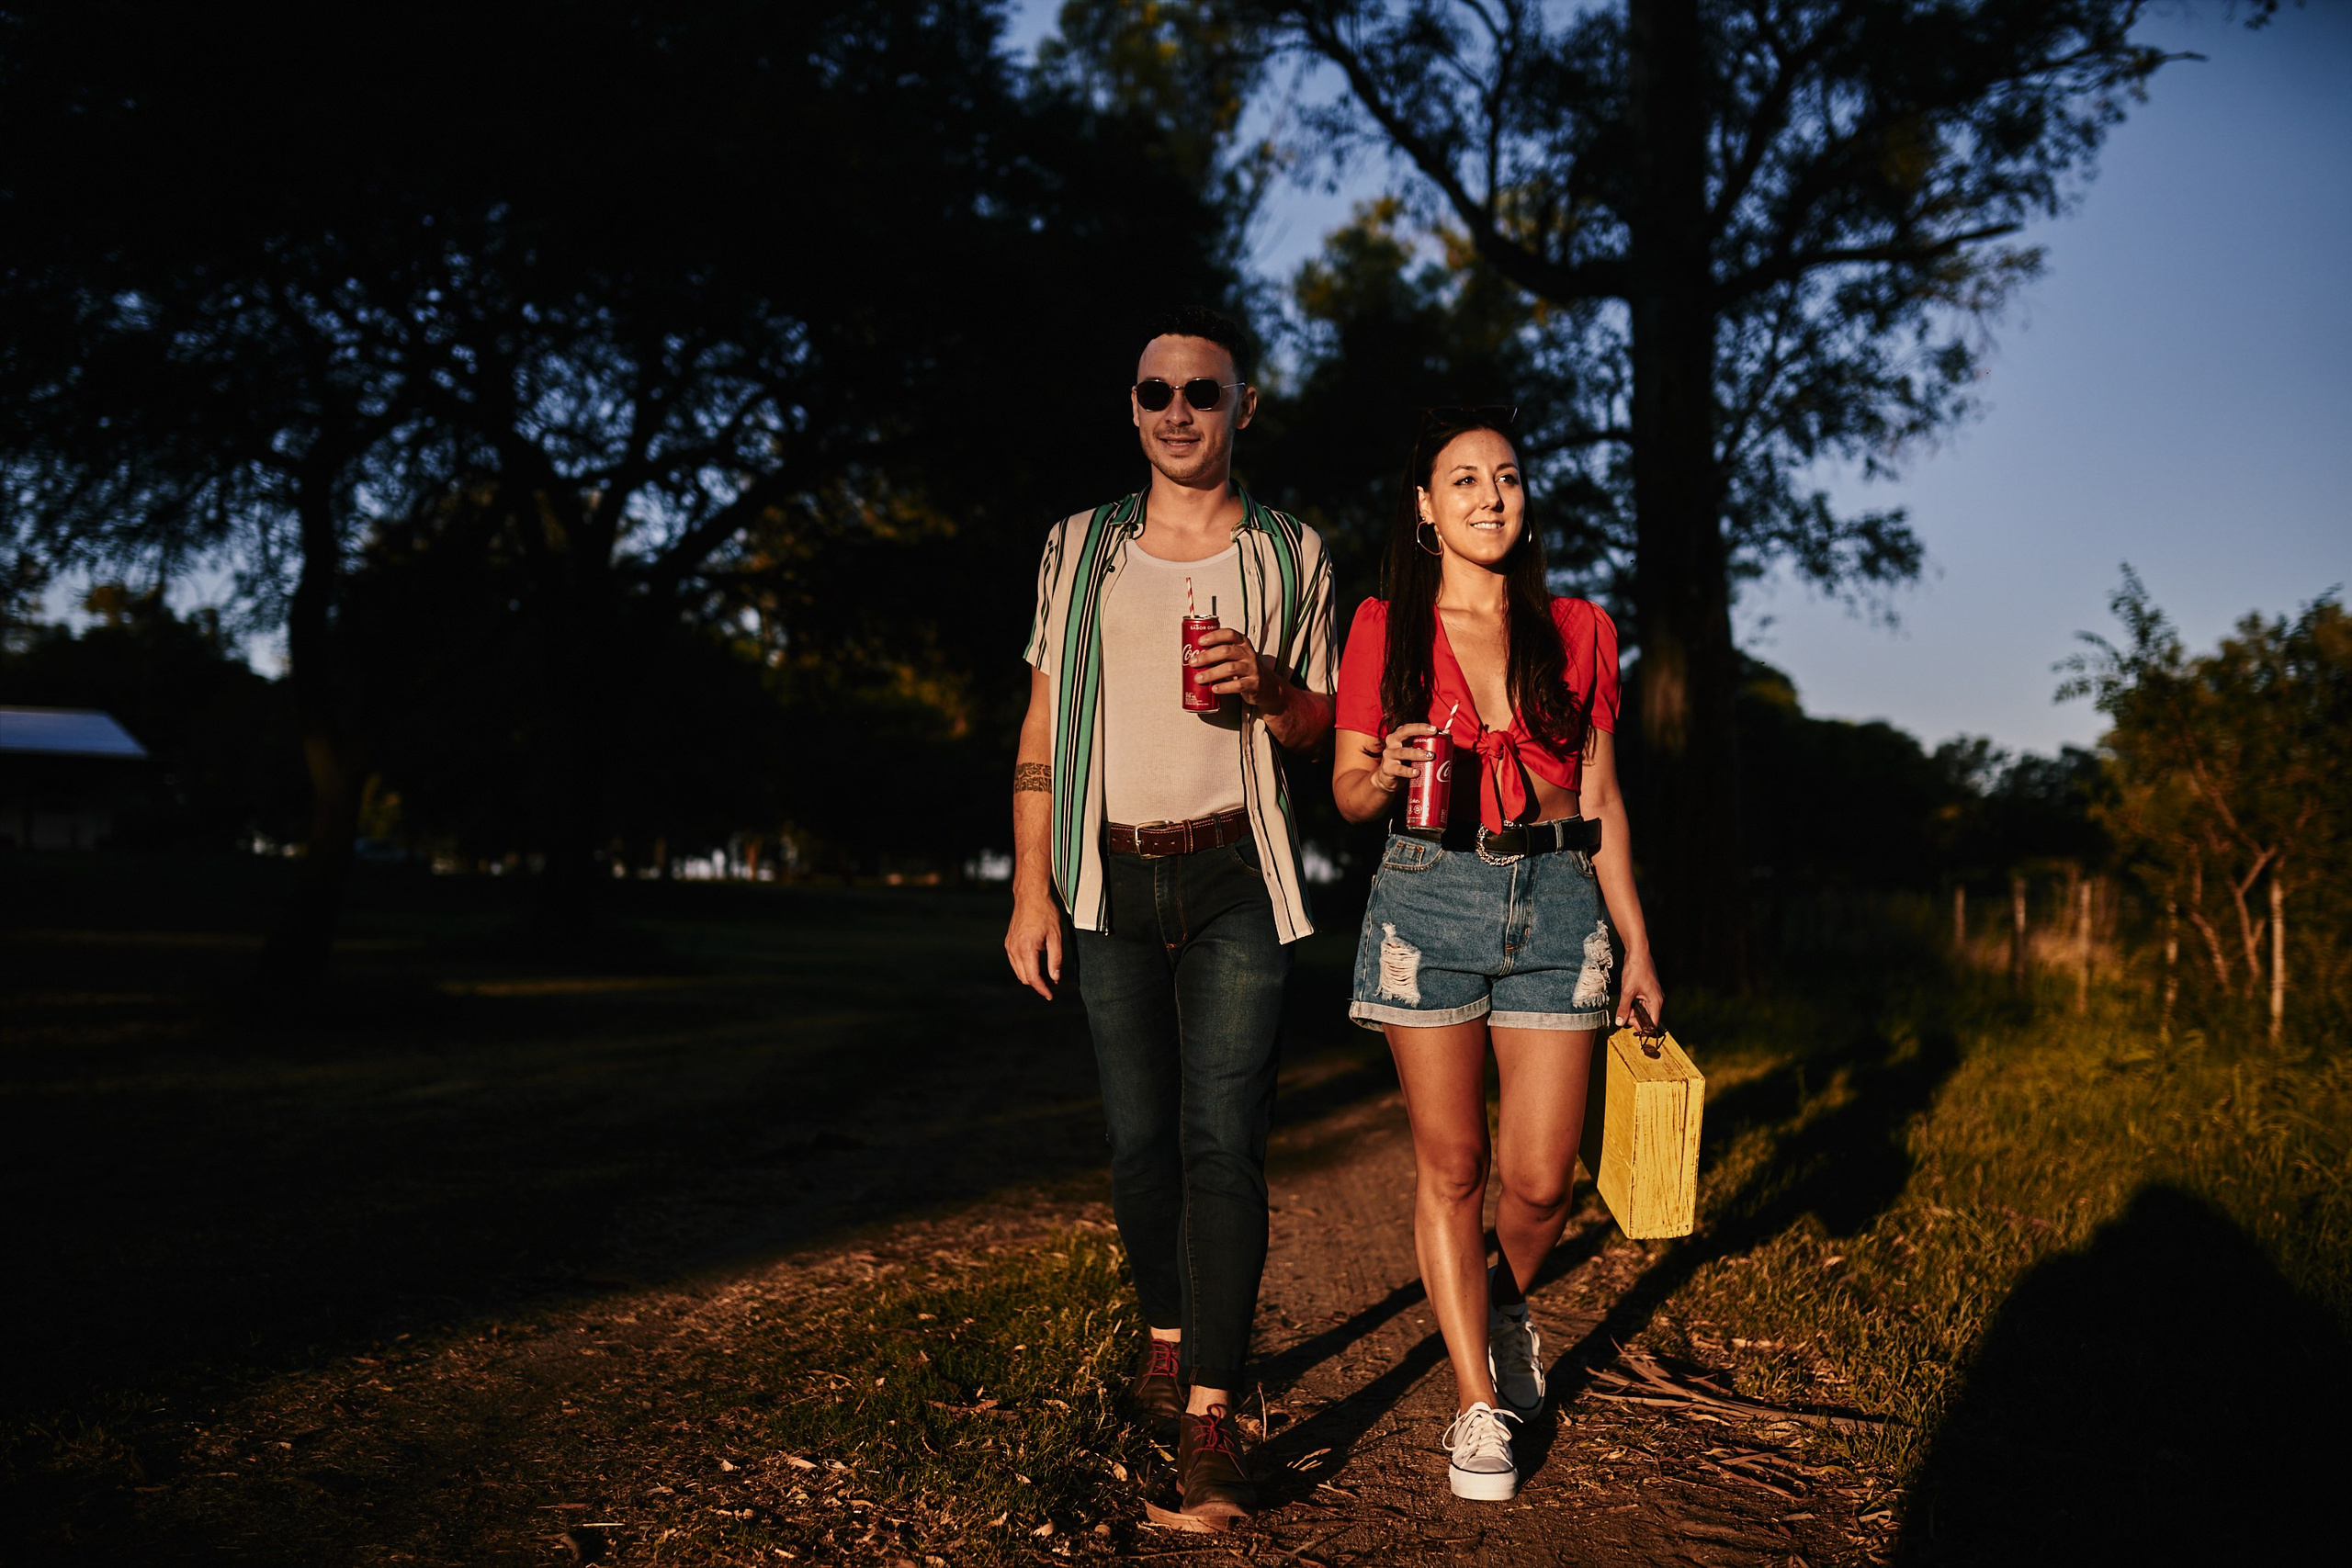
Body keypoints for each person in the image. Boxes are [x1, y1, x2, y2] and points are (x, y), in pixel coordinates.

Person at [1004, 307, 1337, 1527]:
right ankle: (1163, 1327)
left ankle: (1211, 1407)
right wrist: (1028, 882)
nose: (1181, 411)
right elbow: (1042, 729)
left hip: (1237, 872)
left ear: (1245, 407)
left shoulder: (1296, 553)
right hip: (1105, 880)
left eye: (1206, 390)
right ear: (1134, 408)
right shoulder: (1076, 547)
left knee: (1222, 1136)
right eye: (1159, 393)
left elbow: (1328, 732)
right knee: (1140, 1142)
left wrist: (1277, 686)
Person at [1329, 406, 1663, 1503]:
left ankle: (1504, 1313)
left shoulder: (1577, 627)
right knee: (1453, 1168)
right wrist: (1385, 767)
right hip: (1429, 896)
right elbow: (1344, 788)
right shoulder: (1384, 622)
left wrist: (1636, 948)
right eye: (1462, 479)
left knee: (1535, 1181)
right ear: (1425, 510)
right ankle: (1476, 1402)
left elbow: (1602, 798)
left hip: (1561, 902)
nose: (1489, 495)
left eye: (1506, 477)